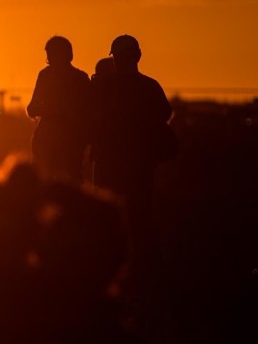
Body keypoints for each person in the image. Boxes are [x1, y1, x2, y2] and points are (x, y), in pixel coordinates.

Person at [90, 35, 173, 264]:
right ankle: (148, 265)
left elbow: (88, 116)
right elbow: (165, 114)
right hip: (140, 163)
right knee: (140, 215)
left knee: (107, 216)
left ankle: (110, 264)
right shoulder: (149, 87)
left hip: (109, 163)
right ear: (138, 56)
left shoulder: (103, 88)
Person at [26, 36, 90, 182]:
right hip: (53, 143)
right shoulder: (76, 78)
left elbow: (32, 109)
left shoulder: (78, 79)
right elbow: (32, 108)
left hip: (67, 143)